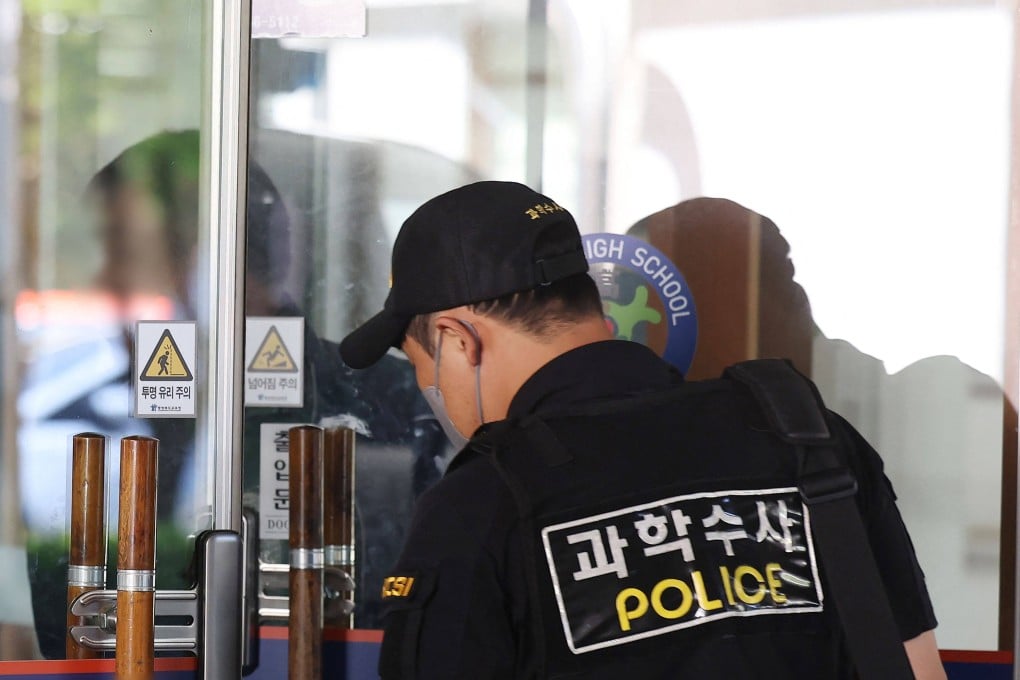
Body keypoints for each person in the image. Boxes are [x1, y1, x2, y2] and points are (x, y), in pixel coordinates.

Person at [339, 180, 946, 679]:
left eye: (423, 368)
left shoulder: (481, 503)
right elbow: (916, 669)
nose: (433, 392)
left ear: (456, 339)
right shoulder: (807, 440)